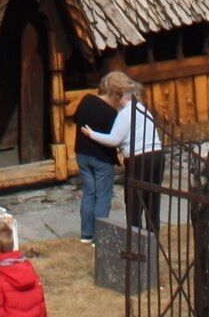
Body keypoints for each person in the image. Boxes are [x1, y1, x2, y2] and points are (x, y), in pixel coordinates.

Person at [85, 80, 164, 229]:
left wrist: (92, 134)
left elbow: (114, 139)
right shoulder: (143, 109)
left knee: (134, 201)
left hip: (139, 158)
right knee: (153, 200)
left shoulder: (126, 113)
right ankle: (153, 237)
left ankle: (135, 236)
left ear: (125, 97)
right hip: (157, 155)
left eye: (119, 96)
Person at [70, 71, 127, 244]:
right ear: (116, 94)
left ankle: (86, 234)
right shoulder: (112, 114)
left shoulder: (87, 100)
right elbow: (114, 138)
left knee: (89, 193)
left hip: (82, 154)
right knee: (103, 196)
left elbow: (76, 120)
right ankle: (99, 237)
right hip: (101, 158)